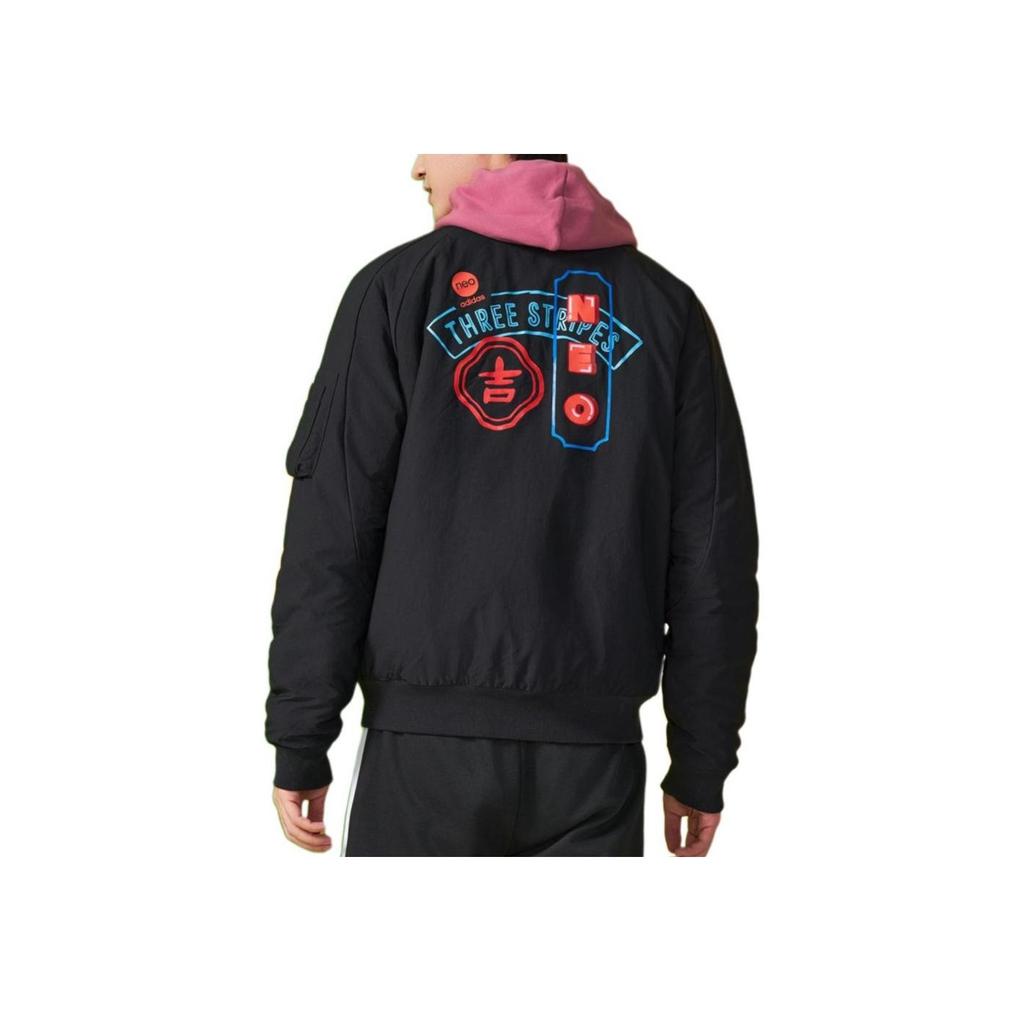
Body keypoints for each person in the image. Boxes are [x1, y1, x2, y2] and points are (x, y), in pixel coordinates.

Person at [265, 154, 759, 857]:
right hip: (595, 766)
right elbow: (714, 557)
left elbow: (333, 531)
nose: (417, 166)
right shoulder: (666, 308)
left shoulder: (399, 286)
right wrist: (701, 761)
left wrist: (302, 736)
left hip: (424, 760)